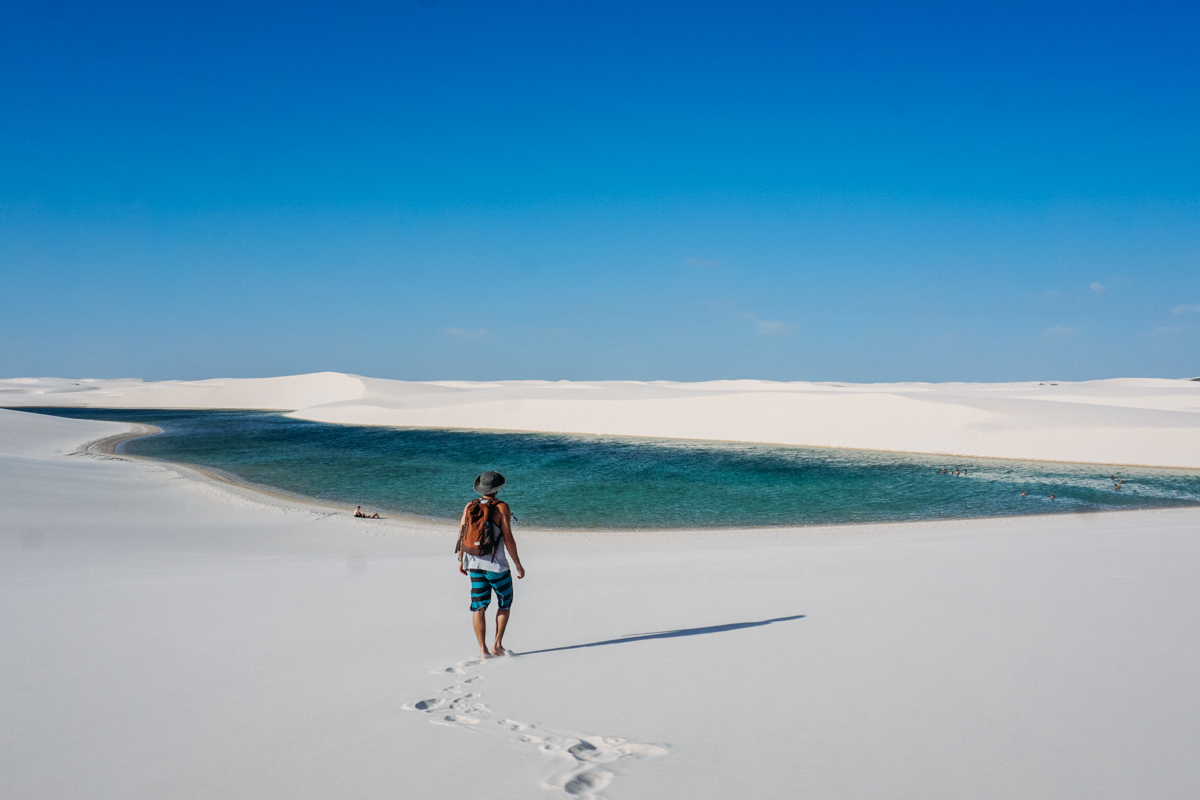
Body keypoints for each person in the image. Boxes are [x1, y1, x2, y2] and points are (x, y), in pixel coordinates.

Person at [458, 471, 525, 659]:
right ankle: (497, 645)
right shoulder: (502, 507)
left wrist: (461, 560)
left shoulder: (470, 506)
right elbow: (508, 538)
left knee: (478, 606)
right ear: (498, 489)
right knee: (505, 603)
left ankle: (482, 650)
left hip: (474, 564)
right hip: (497, 566)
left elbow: (462, 534)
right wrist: (518, 564)